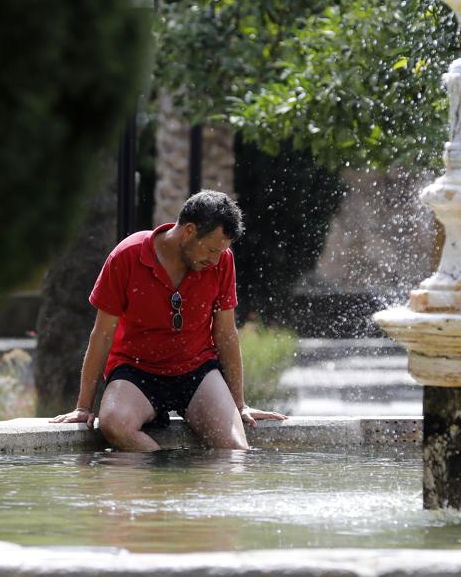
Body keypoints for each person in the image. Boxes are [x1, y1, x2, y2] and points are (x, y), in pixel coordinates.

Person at [50, 190, 287, 450]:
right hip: (136, 370)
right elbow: (102, 334)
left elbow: (226, 333)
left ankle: (191, 486)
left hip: (197, 370)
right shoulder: (126, 256)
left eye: (221, 252)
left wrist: (240, 404)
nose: (215, 260)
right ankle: (164, 479)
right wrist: (83, 407)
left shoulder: (222, 262)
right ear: (188, 231)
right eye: (210, 249)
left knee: (234, 449)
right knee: (114, 424)